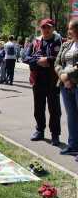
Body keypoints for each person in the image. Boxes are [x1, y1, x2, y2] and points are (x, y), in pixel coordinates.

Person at [23, 18, 62, 146]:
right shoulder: (36, 42)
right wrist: (38, 61)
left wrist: (48, 60)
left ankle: (55, 135)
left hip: (53, 80)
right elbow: (25, 57)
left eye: (48, 27)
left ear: (53, 28)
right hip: (38, 79)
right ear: (41, 28)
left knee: (54, 109)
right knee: (38, 107)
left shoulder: (59, 41)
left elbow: (61, 59)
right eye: (43, 27)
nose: (46, 30)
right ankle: (40, 130)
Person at [55, 20, 78, 155]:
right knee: (71, 116)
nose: (68, 31)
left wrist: (66, 75)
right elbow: (57, 63)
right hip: (65, 85)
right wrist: (63, 75)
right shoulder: (66, 45)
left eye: (71, 29)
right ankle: (73, 145)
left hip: (75, 83)